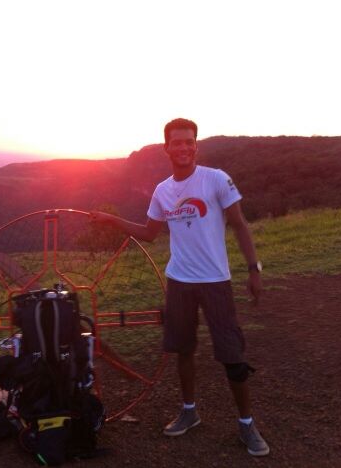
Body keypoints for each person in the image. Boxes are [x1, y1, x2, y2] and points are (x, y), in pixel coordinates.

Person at [90, 118, 269, 456]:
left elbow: (240, 224)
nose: (184, 147)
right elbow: (149, 232)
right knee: (183, 350)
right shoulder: (162, 191)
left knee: (232, 355)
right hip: (179, 281)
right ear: (167, 148)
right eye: (178, 142)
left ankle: (247, 424)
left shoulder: (216, 179)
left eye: (190, 141)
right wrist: (112, 220)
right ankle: (189, 412)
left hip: (216, 281)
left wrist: (253, 269)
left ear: (195, 146)